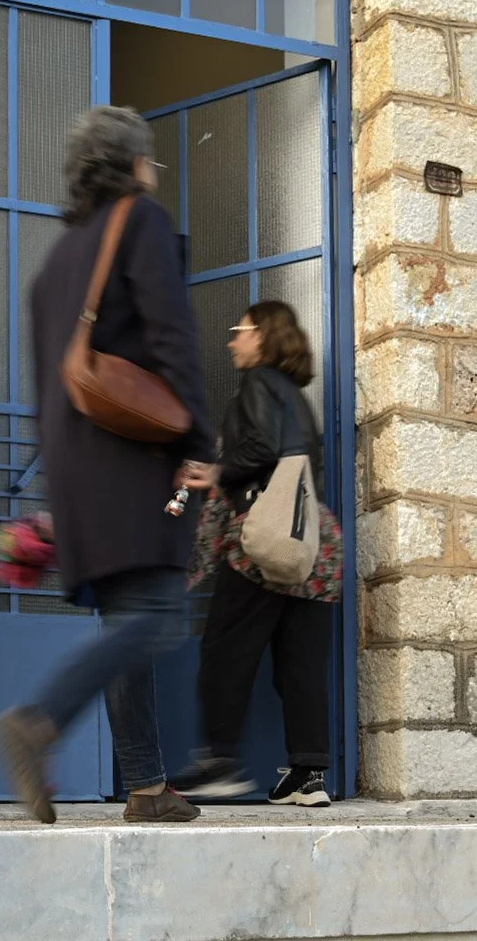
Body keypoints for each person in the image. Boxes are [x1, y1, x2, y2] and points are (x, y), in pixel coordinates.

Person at [0, 106, 215, 825]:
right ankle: (38, 721)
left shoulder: (55, 261)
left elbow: (43, 386)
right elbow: (173, 336)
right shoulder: (139, 220)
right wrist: (200, 444)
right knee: (155, 613)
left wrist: (56, 483)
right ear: (135, 164)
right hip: (133, 456)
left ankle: (146, 786)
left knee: (129, 619)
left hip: (77, 462)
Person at [171, 300, 333, 808]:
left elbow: (261, 451)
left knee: (225, 650)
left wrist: (216, 472)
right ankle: (308, 777)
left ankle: (220, 764)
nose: (232, 341)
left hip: (262, 542)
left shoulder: (258, 383)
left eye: (238, 331)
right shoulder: (299, 398)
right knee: (299, 661)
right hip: (313, 547)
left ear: (262, 336)